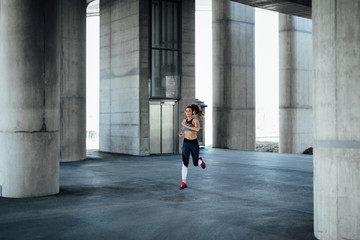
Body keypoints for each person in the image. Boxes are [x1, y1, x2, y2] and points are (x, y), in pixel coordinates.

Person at [178, 104, 206, 190]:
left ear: (192, 112)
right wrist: (182, 132)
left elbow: (197, 129)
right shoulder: (184, 120)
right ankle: (183, 182)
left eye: (189, 111)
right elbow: (184, 128)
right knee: (185, 162)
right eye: (186, 111)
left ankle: (200, 161)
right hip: (186, 142)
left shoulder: (195, 120)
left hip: (194, 143)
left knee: (195, 163)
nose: (187, 112)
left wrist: (185, 125)